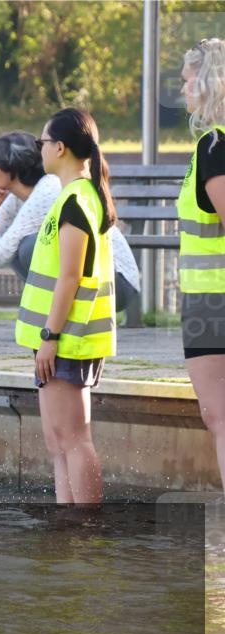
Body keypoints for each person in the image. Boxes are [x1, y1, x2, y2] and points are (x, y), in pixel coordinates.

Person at [14, 109, 118, 504]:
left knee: (74, 440)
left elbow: (70, 277)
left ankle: (85, 534)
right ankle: (67, 530)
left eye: (41, 143)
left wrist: (50, 337)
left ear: (59, 148)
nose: (39, 150)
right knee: (58, 442)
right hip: (57, 339)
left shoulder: (77, 200)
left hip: (66, 338)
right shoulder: (74, 196)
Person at [0, 131, 141, 311]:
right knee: (17, 247)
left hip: (116, 283)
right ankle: (55, 316)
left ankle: (56, 320)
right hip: (97, 281)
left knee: (27, 247)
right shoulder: (18, 198)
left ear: (11, 166)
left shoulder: (46, 191)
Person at [177, 38, 225, 493]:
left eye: (189, 79)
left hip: (213, 303)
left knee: (221, 417)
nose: (184, 89)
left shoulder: (215, 147)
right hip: (207, 300)